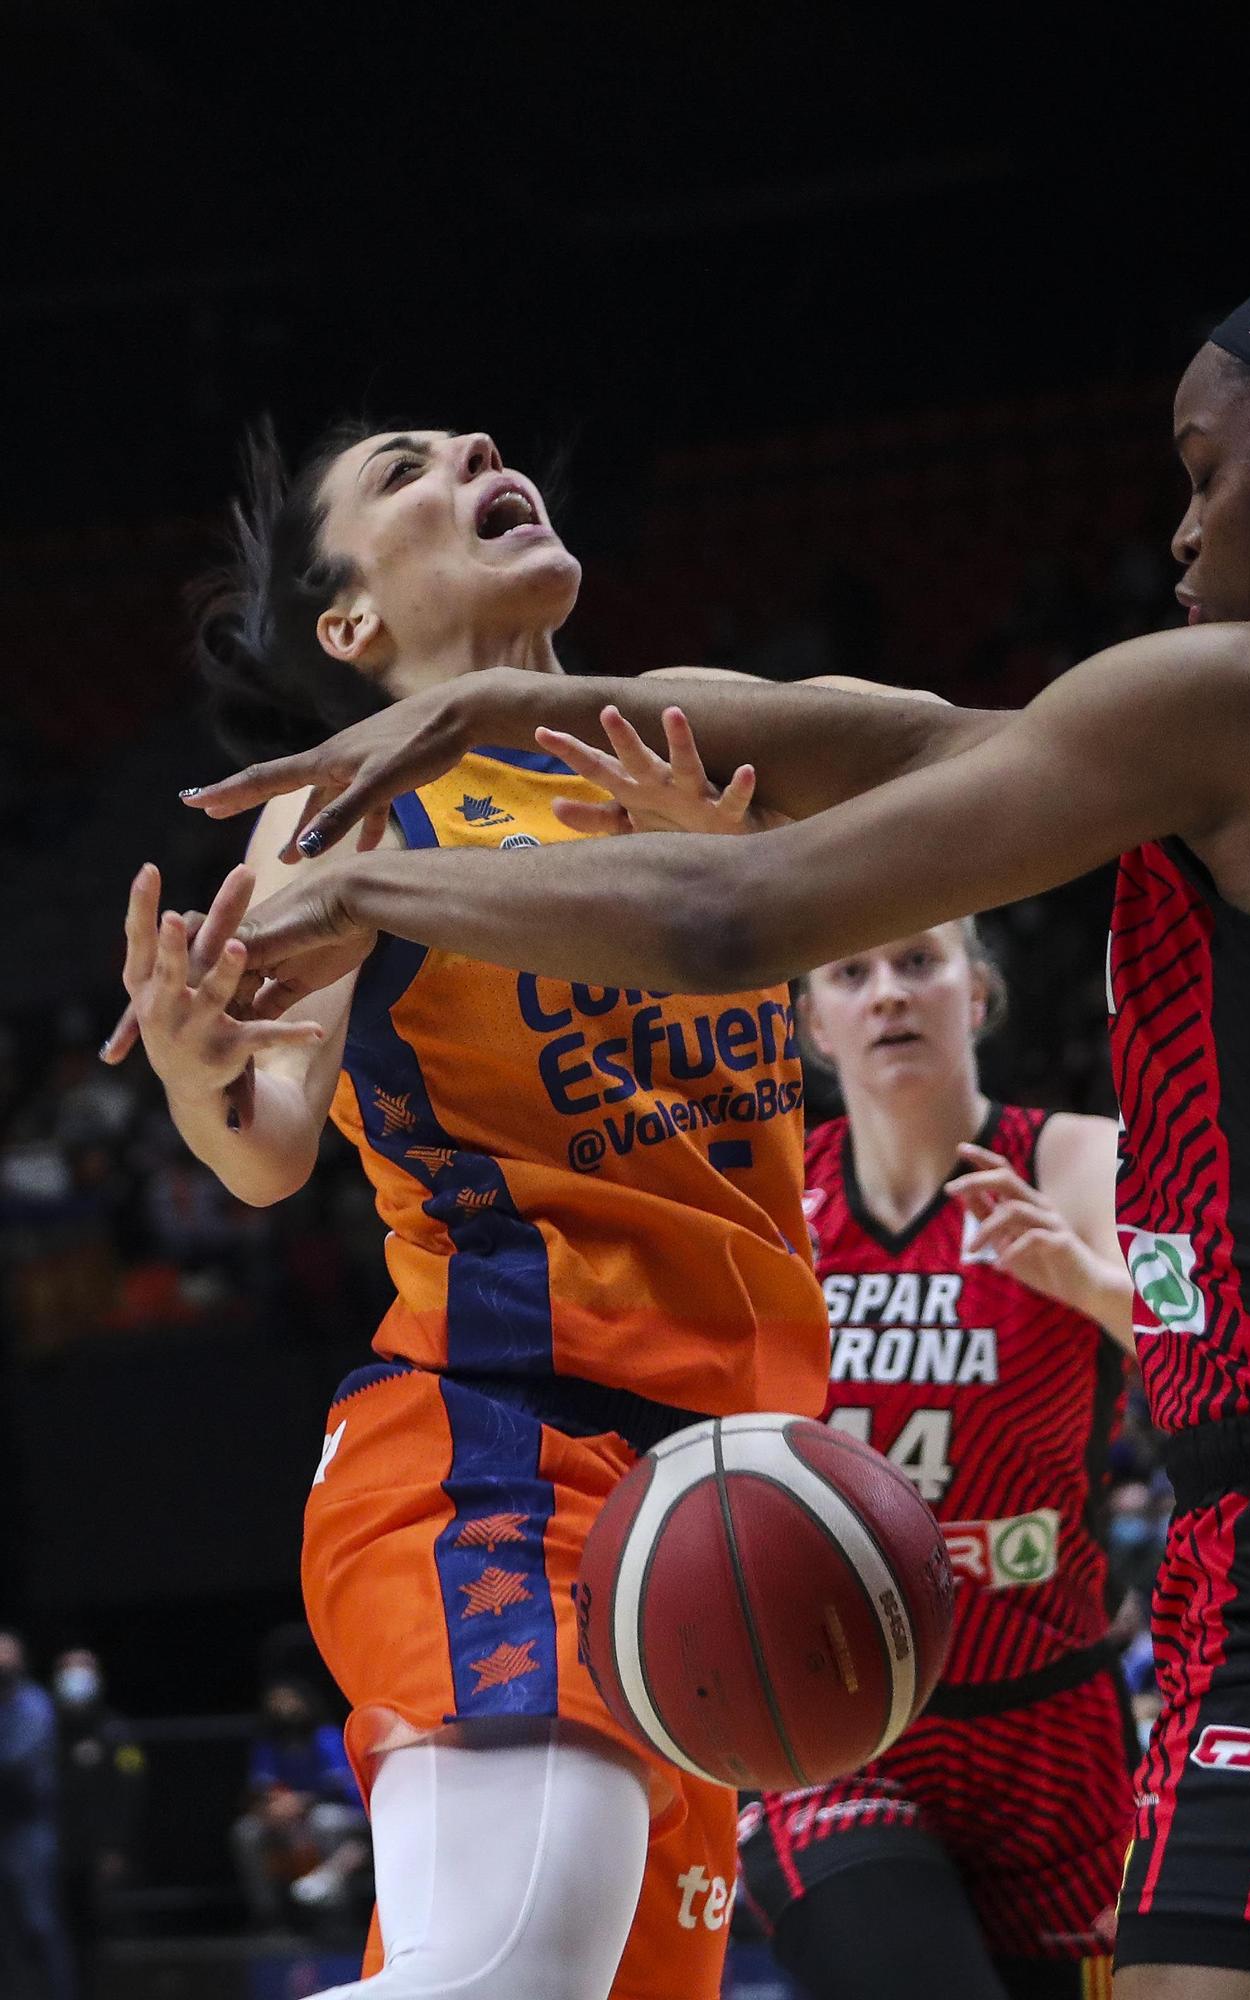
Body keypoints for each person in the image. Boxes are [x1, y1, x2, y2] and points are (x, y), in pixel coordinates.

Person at [199, 181, 1250, 2000]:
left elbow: (731, 904)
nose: (1176, 528)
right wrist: (507, 714)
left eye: (1205, 470)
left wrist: (362, 883)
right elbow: (913, 734)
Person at [104, 421, 840, 2000]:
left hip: (700, 1508)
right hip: (501, 1452)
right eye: (405, 469)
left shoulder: (682, 764)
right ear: (351, 625)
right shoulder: (353, 810)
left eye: (470, 442)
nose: (478, 448)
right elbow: (267, 1146)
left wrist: (756, 890)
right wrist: (198, 1070)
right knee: (511, 1975)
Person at [740, 919, 1134, 2000]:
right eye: (850, 971)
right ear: (811, 1021)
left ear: (978, 992)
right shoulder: (767, 1201)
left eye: (919, 960)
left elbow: (1221, 1348)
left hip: (1058, 1731)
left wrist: (1082, 1279)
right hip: (834, 1727)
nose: (887, 993)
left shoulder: (1077, 1158)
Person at [231, 1678, 366, 1932]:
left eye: (289, 1701)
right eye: (276, 1702)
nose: (283, 1708)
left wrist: (300, 1802)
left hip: (343, 1813)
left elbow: (340, 1787)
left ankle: (336, 1912)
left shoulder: (326, 1737)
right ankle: (269, 1917)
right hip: (287, 1818)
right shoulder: (269, 1744)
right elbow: (260, 1788)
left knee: (324, 1822)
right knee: (246, 1832)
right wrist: (272, 1808)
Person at [51, 1648, 145, 1992]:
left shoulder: (115, 1731)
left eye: (83, 1669)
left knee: (106, 1930)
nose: (76, 1678)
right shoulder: (49, 1730)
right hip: (59, 1849)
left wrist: (115, 1847)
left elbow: (131, 1792)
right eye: (68, 1669)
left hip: (103, 1851)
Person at [0, 1631, 75, 2000]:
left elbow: (12, 1761)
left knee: (39, 1924)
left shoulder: (33, 1705)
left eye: (6, 1657)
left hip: (28, 1828)